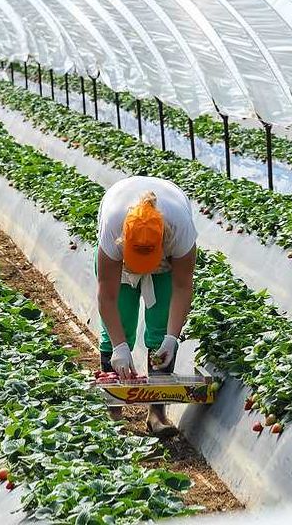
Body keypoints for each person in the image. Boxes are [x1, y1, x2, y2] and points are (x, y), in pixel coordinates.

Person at [97, 176, 197, 438]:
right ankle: (113, 409)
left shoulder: (180, 229)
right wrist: (119, 346)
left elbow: (183, 286)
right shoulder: (113, 228)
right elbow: (106, 296)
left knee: (161, 323)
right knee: (122, 315)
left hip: (165, 263)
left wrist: (172, 337)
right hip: (120, 254)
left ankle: (157, 414)